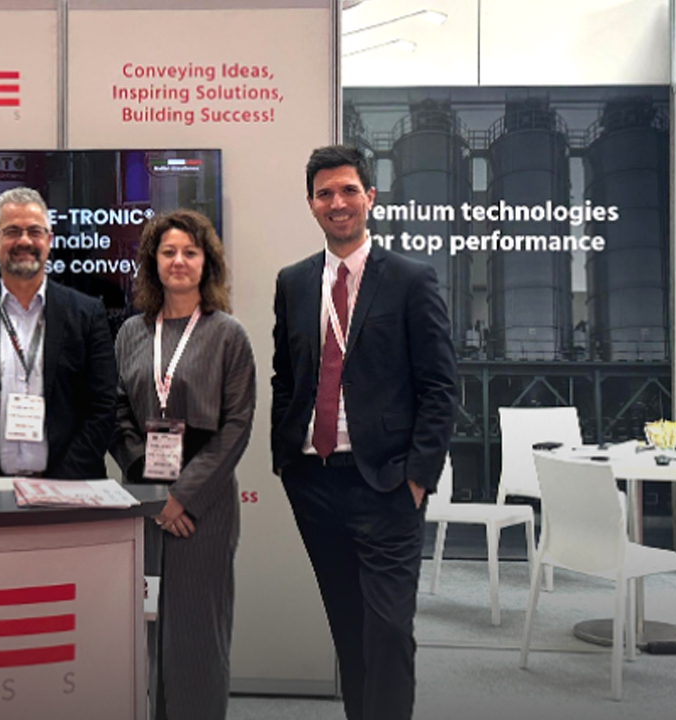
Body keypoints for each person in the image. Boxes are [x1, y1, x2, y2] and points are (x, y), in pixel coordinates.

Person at [269, 145, 457, 720]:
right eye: (324, 193)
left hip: (387, 484)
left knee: (389, 631)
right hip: (314, 480)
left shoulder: (410, 280)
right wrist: (286, 459)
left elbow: (440, 387)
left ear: (370, 197)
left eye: (349, 190)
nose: (338, 202)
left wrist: (417, 478)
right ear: (311, 205)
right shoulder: (294, 282)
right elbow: (286, 375)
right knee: (349, 629)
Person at [110, 209, 253, 720]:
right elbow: (117, 414)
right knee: (146, 629)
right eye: (168, 251)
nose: (179, 261)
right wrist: (153, 495)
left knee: (198, 635)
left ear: (206, 262)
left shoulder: (228, 335)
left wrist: (182, 498)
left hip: (203, 509)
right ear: (153, 261)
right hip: (144, 505)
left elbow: (237, 425)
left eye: (190, 252)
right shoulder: (131, 332)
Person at [0, 187, 117, 478]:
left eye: (34, 231)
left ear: (49, 241)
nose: (24, 240)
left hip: (71, 489)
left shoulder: (88, 314)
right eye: (12, 231)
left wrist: (59, 482)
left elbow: (103, 407)